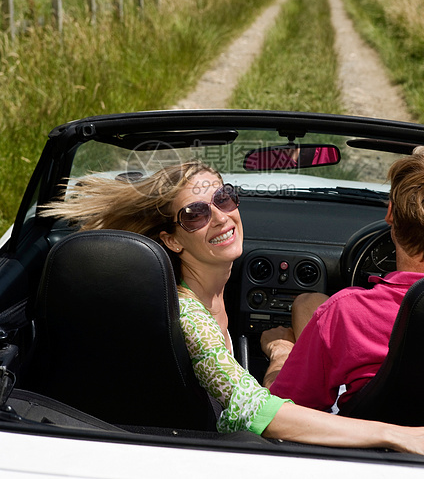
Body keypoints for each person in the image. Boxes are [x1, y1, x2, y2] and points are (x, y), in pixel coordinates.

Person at [41, 159, 424, 454]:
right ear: (171, 241)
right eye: (195, 213)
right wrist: (395, 434)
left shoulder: (213, 293)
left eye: (223, 197)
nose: (221, 216)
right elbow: (257, 413)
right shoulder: (188, 316)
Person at [261, 147, 424, 415]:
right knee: (309, 303)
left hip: (363, 445)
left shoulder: (345, 312)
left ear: (391, 213)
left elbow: (282, 413)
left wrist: (281, 352)